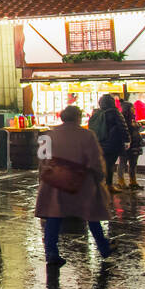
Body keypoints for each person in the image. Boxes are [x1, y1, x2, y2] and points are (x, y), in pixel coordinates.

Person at [35, 105, 112, 266]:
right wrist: (100, 177)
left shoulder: (49, 135)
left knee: (54, 216)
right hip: (81, 181)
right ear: (78, 117)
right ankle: (103, 247)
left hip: (55, 181)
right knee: (91, 215)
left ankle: (51, 252)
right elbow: (95, 160)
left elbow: (42, 160)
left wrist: (44, 177)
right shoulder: (87, 135)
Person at [87, 94, 129, 192]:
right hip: (112, 144)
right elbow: (123, 127)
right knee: (110, 165)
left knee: (103, 164)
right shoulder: (115, 113)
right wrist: (127, 140)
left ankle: (101, 184)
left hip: (99, 143)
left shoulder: (97, 113)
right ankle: (108, 185)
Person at [118, 98, 143, 191]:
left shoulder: (132, 118)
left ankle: (133, 181)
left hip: (135, 144)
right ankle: (121, 181)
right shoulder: (122, 119)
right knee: (123, 163)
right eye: (132, 108)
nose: (134, 109)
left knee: (133, 163)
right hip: (126, 144)